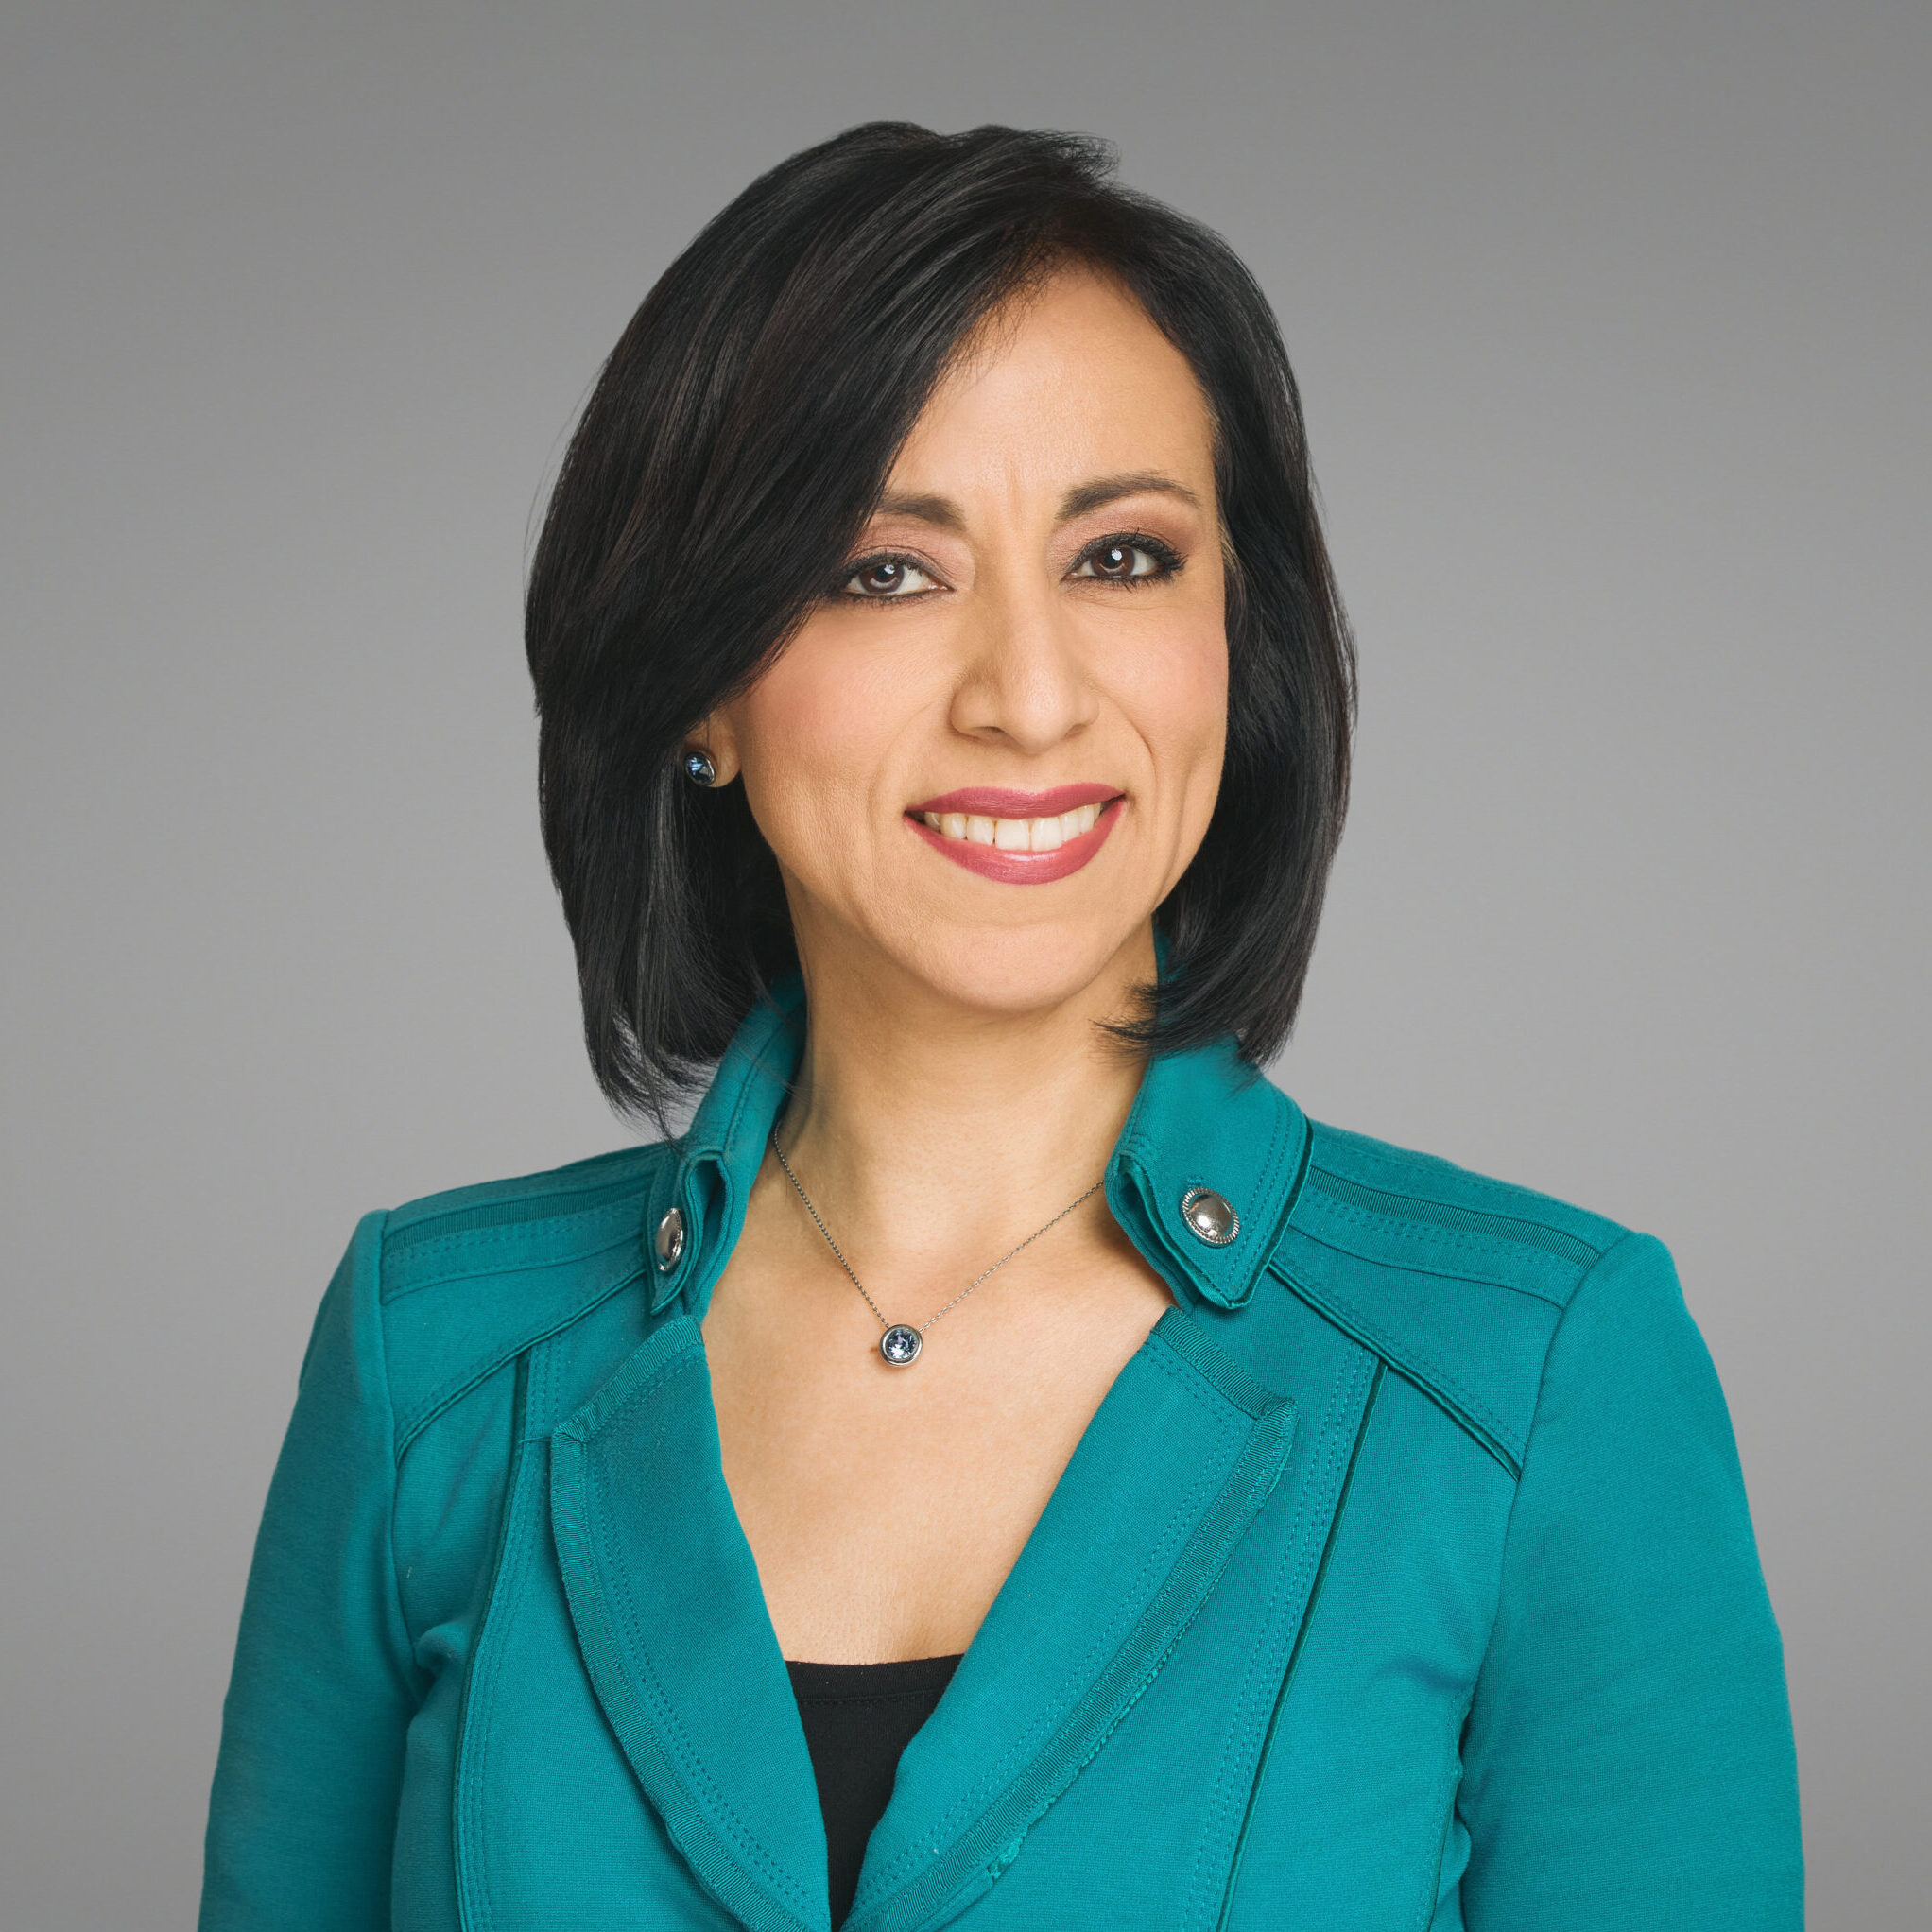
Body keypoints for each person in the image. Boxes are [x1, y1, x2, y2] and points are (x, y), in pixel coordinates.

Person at [198, 122, 1803, 1932]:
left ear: (1235, 643)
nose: (1030, 698)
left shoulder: (1540, 1380)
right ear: (699, 682)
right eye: (887, 569)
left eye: (1123, 559)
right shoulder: (429, 1362)